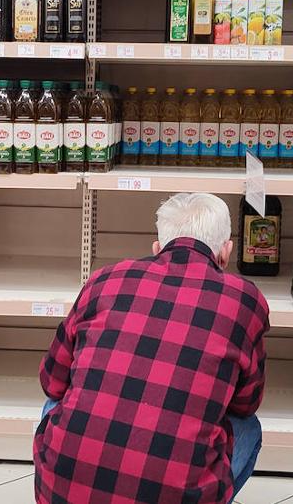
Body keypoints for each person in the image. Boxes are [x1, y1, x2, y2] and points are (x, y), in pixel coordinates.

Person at [34, 192, 270, 504]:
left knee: (55, 405)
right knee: (247, 428)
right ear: (224, 253)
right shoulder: (245, 299)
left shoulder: (104, 279)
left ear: (157, 248)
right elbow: (246, 403)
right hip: (173, 491)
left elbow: (52, 381)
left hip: (62, 492)